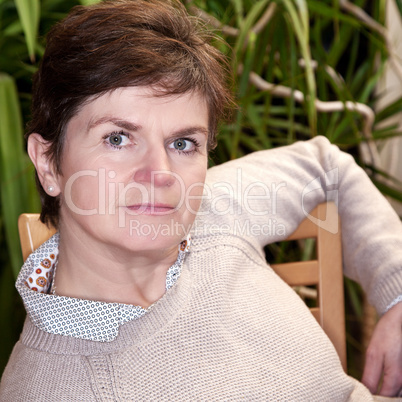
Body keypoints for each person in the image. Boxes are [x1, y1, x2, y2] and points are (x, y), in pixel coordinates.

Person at [0, 0, 401, 400]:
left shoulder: (215, 209)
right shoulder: (47, 388)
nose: (160, 173)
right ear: (49, 164)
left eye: (182, 142)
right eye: (117, 138)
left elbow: (325, 166)